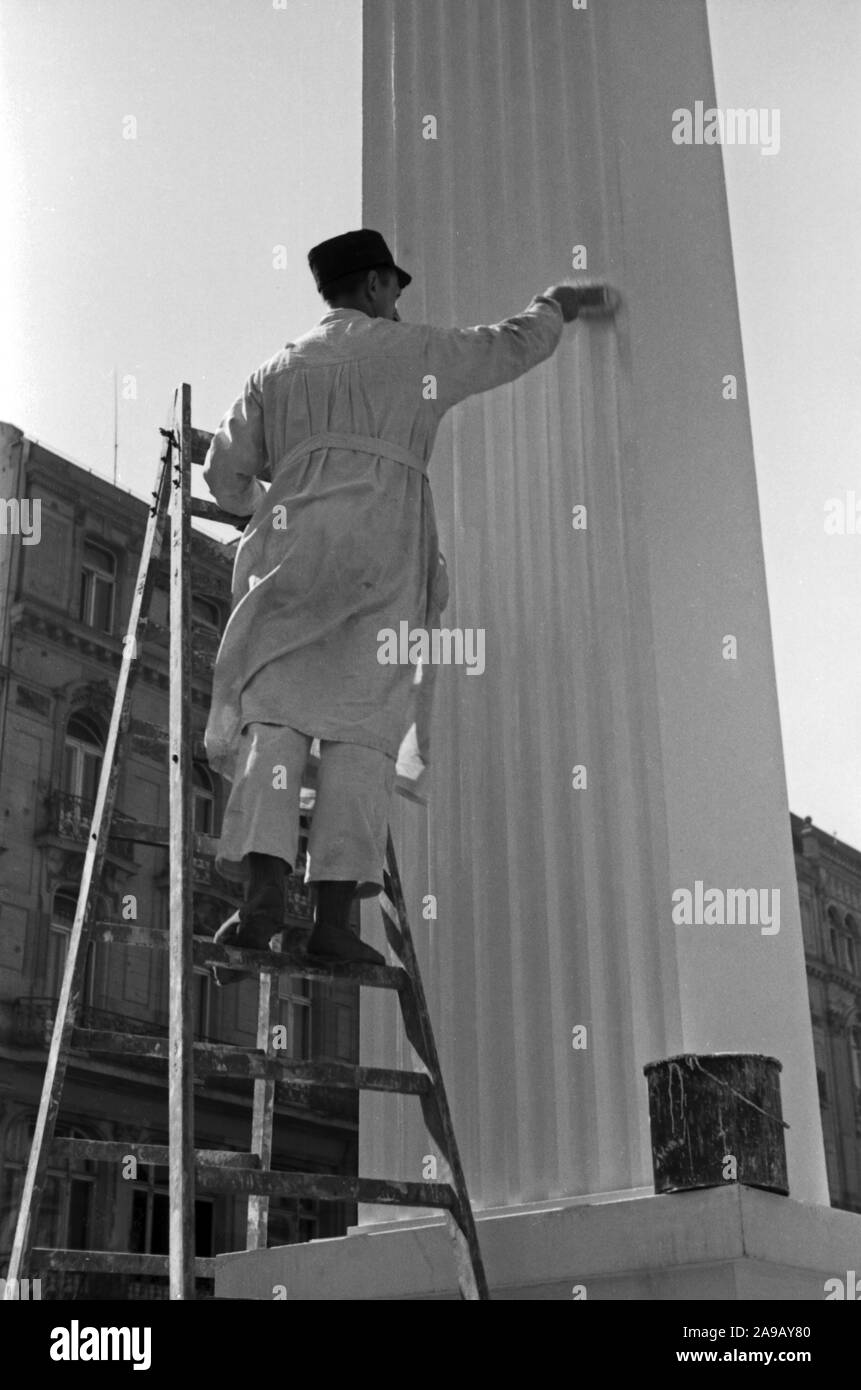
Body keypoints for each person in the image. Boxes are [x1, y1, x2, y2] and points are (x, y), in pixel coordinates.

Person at [202, 228, 584, 975]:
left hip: (293, 556)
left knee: (274, 718)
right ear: (376, 287)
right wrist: (556, 305)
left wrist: (267, 505)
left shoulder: (274, 372)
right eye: (395, 291)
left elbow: (223, 476)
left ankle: (260, 903)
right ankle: (337, 920)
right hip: (383, 557)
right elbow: (508, 345)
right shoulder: (416, 355)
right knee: (361, 732)